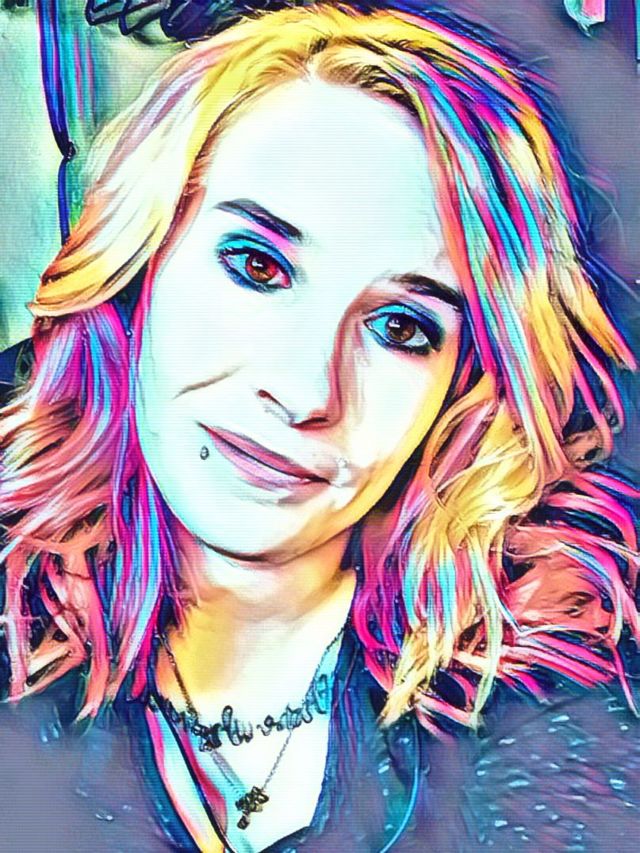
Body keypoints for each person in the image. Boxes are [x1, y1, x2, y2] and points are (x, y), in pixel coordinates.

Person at [1, 3, 639, 850]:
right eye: (256, 266)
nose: (307, 391)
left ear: (465, 387)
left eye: (401, 327)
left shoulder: (554, 711)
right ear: (139, 266)